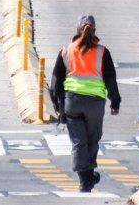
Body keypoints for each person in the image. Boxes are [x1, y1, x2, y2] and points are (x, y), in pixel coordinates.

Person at [51, 15, 121, 193]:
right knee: (92, 140)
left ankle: (85, 179)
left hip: (72, 101)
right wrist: (115, 101)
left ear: (77, 30)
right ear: (94, 30)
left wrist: (58, 106)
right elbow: (110, 79)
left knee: (78, 142)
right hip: (95, 102)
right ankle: (88, 177)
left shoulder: (66, 50)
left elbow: (55, 82)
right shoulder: (102, 52)